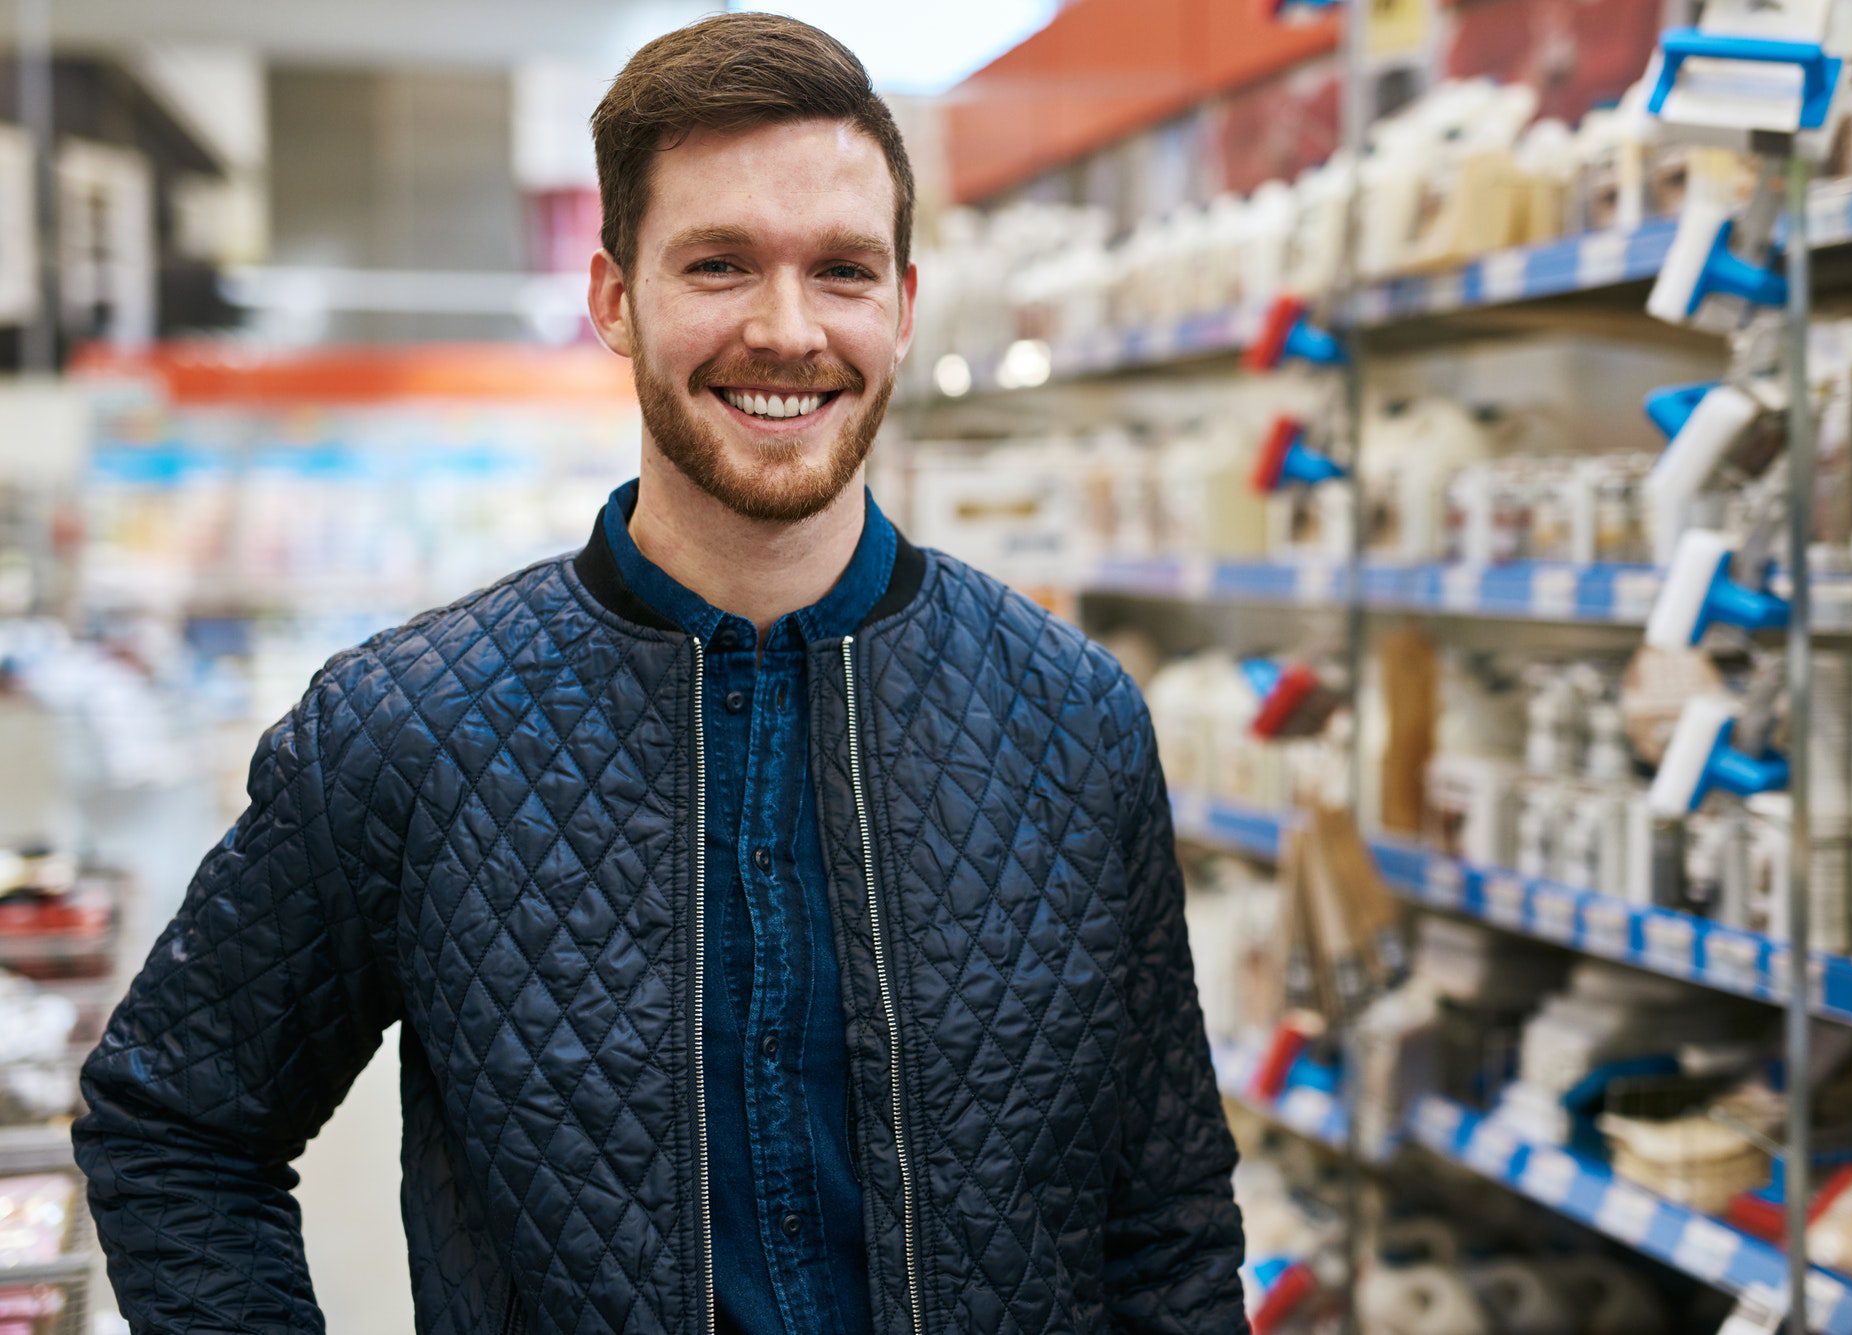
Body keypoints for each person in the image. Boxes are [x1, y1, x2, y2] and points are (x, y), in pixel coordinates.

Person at [72, 13, 1246, 1334]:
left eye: (843, 269)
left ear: (905, 309)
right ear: (615, 299)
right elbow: (176, 1122)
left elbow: (1169, 1226)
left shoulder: (1070, 724)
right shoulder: (410, 730)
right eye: (720, 263)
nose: (788, 329)